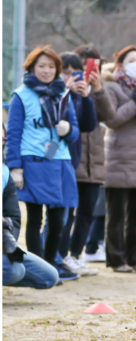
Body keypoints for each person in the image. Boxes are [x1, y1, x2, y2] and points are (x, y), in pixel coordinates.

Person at [5, 45, 80, 275]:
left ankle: (50, 266)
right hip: (34, 162)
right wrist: (15, 167)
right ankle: (39, 269)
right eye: (41, 66)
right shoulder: (21, 95)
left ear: (57, 69)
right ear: (31, 67)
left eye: (51, 66)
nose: (46, 71)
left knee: (59, 221)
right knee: (35, 219)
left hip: (61, 161)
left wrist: (68, 130)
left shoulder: (64, 95)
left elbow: (76, 132)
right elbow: (13, 133)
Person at [104, 45, 136, 273]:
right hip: (119, 159)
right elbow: (112, 119)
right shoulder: (111, 87)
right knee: (116, 214)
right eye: (132, 60)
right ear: (120, 65)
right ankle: (117, 258)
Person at [64, 47, 114, 271]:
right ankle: (60, 254)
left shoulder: (96, 91)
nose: (86, 72)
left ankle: (76, 255)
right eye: (81, 67)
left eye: (93, 67)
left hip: (94, 162)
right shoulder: (66, 92)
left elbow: (110, 117)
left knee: (86, 213)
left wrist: (97, 89)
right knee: (66, 213)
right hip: (72, 159)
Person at [3, 126, 60, 289]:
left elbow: (13, 217)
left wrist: (6, 238)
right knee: (14, 271)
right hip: (33, 167)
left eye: (2, 140)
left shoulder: (4, 172)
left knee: (50, 277)